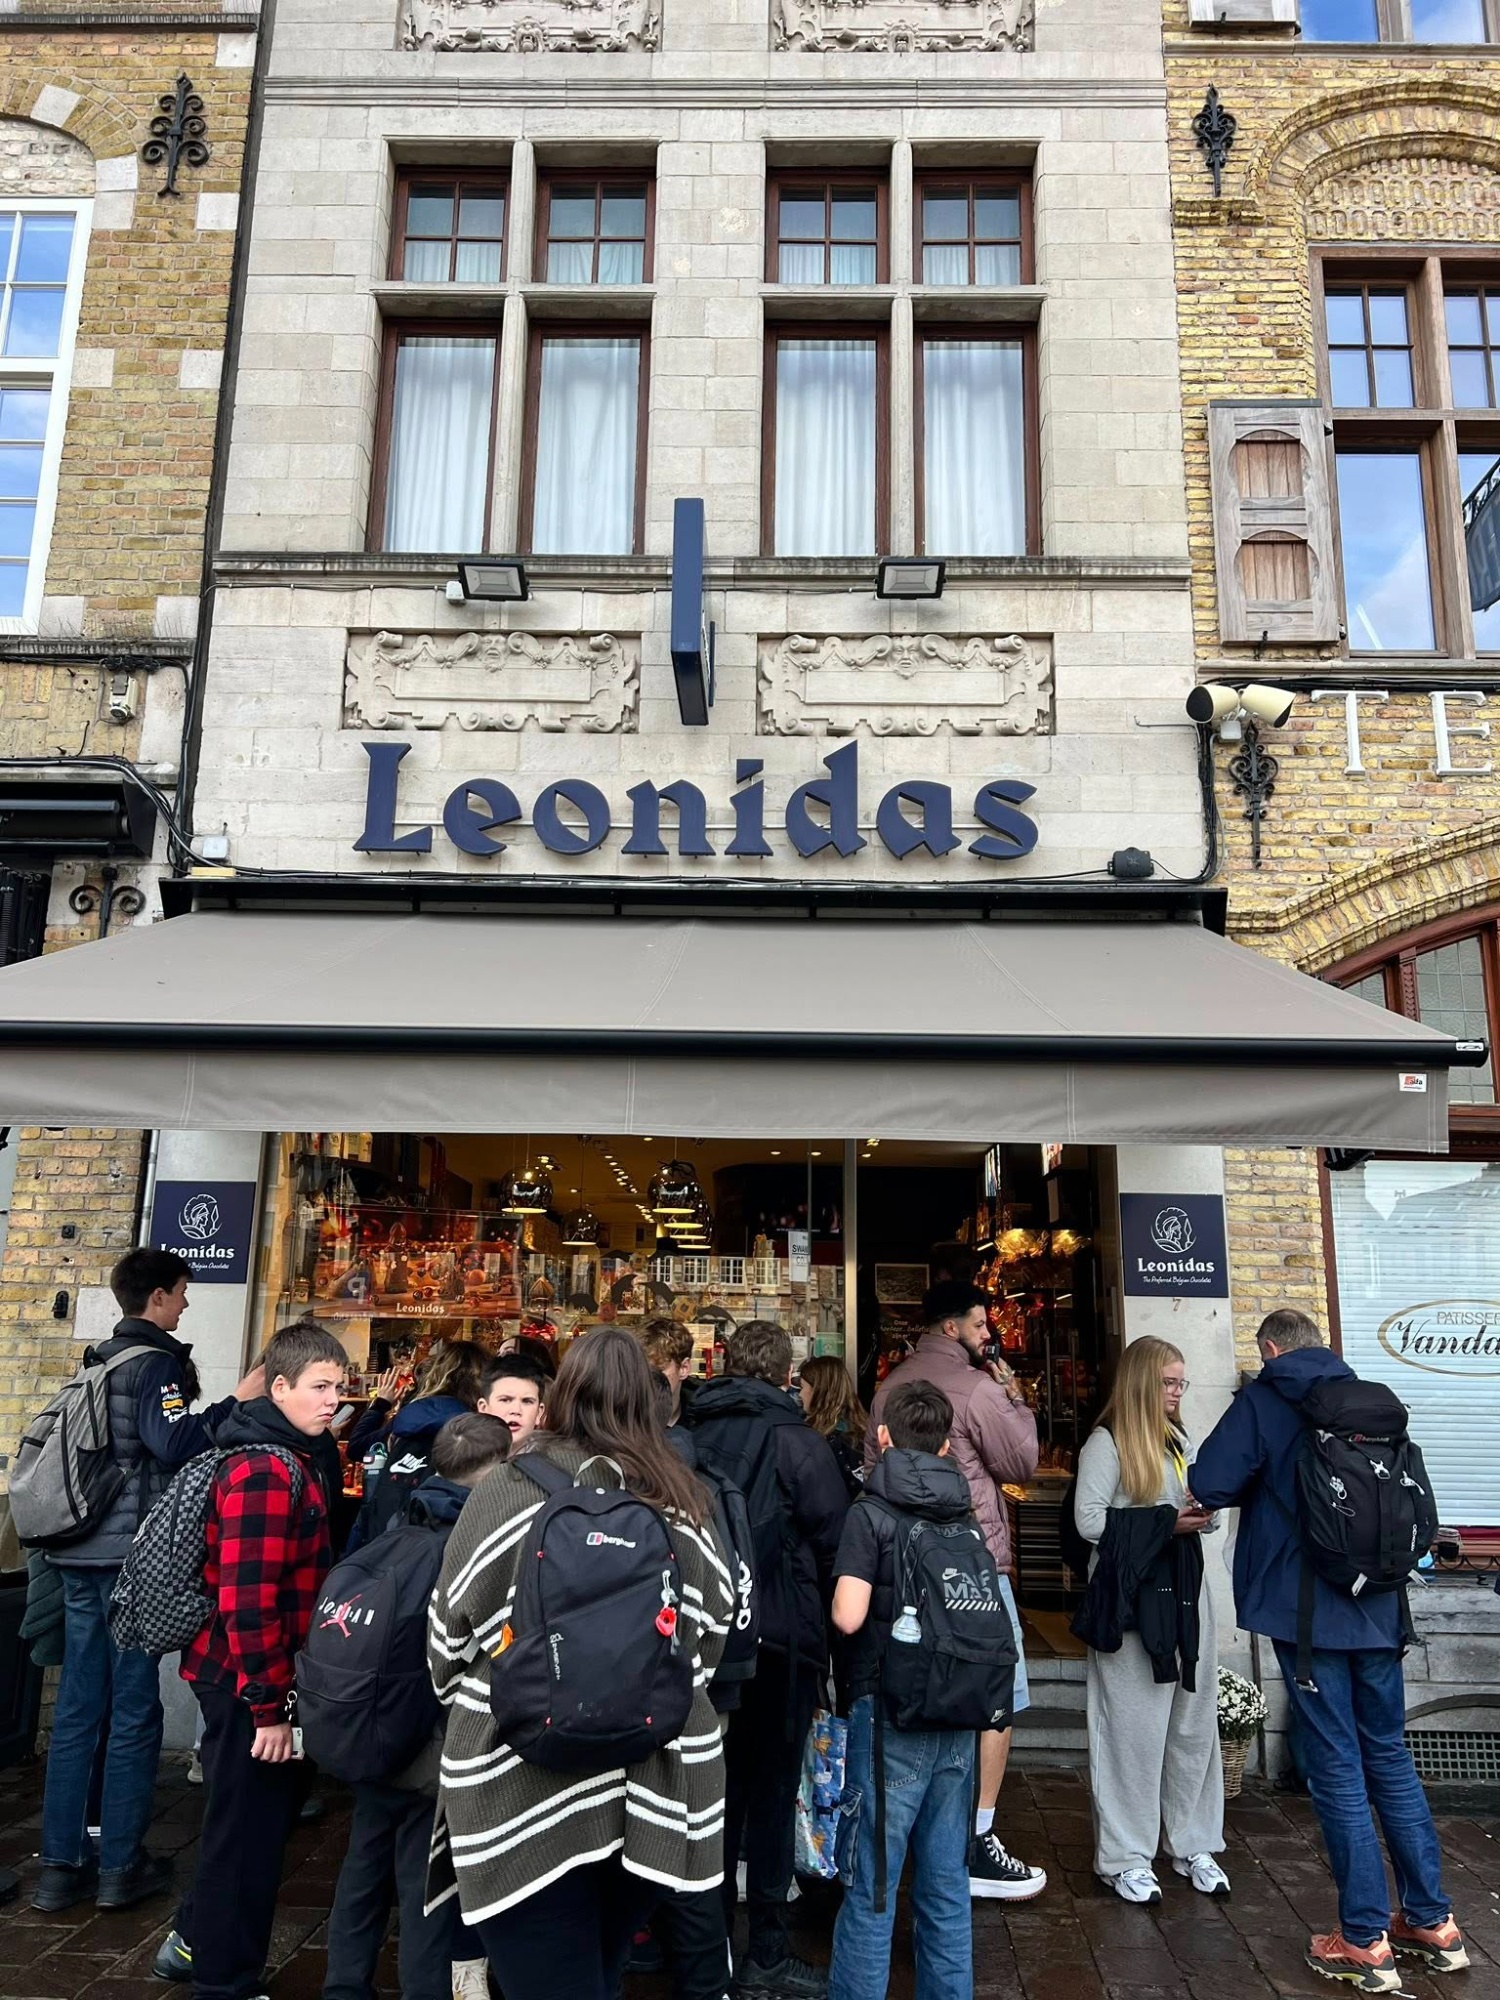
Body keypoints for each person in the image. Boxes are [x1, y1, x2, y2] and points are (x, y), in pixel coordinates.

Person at [427, 1326, 735, 2000]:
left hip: (519, 1781)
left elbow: (448, 1640)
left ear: (559, 1396)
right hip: (649, 1784)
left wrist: (498, 1685)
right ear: (648, 1403)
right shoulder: (683, 1498)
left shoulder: (507, 1487)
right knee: (600, 1965)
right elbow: (712, 1634)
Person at [1191, 1309, 1468, 1993]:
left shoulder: (1265, 1398)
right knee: (1389, 1755)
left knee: (1338, 1766)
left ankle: (1365, 1938)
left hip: (1307, 1613)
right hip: (1379, 1608)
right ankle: (1433, 1923)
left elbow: (1211, 1482)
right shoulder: (1371, 1399)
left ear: (1271, 1348)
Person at [33, 1248, 263, 1915]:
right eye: (184, 1292)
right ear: (158, 1297)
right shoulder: (156, 1361)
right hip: (128, 1564)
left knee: (79, 1711)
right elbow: (174, 1443)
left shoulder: (101, 1358)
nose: (187, 1303)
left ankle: (59, 1864)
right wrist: (232, 1404)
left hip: (78, 1555)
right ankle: (118, 1867)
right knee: (134, 1709)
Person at [155, 1318, 348, 2000]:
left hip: (245, 1676)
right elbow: (247, 1602)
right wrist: (271, 1707)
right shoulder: (268, 1468)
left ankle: (194, 1943)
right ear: (281, 1385)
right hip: (247, 1681)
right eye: (319, 1387)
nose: (333, 1401)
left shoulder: (284, 1454)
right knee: (248, 1841)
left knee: (241, 1826)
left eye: (340, 1388)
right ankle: (222, 1982)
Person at [686, 1321, 851, 1999]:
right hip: (781, 1645)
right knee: (774, 1798)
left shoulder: (689, 1435)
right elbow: (838, 1542)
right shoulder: (800, 1445)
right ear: (788, 1373)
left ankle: (709, 1948)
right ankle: (768, 1953)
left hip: (704, 1642)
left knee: (708, 1800)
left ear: (724, 1364)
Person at [321, 1413, 510, 2000]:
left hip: (372, 1724)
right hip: (432, 1743)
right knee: (427, 1888)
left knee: (362, 1871)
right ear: (498, 1469)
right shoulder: (473, 1541)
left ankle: (344, 1987)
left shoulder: (399, 1513)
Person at [868, 1281, 1044, 1901]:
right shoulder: (979, 1388)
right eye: (978, 1323)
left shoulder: (887, 1387)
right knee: (997, 1691)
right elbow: (1022, 1463)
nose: (987, 1333)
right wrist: (1018, 1401)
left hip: (900, 1565)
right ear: (951, 1329)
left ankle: (912, 1835)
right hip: (973, 1564)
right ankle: (976, 1837)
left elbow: (874, 1471)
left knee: (914, 1687)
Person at [828, 1380, 979, 2000]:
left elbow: (848, 1615)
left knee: (875, 1885)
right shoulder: (964, 1512)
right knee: (946, 1886)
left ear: (884, 1436)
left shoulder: (870, 1511)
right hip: (959, 1710)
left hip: (889, 1711)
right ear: (947, 1444)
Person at [1072, 1337, 1227, 1905]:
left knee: (1193, 1723)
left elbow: (1199, 1519)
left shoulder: (1176, 1439)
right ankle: (1125, 1856)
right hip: (1133, 1603)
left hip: (1188, 1598)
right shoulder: (1106, 1444)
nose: (1177, 1392)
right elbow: (1088, 1521)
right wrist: (1167, 1522)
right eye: (1168, 1382)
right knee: (1131, 1734)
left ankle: (1193, 1842)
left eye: (1181, 1383)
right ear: (1140, 1382)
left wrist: (1204, 1515)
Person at [347, 1339, 488, 1542]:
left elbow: (357, 1447)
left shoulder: (410, 1421)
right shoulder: (481, 1433)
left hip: (384, 1543)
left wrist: (380, 1404)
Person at [798, 1355, 867, 1498]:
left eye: (803, 1387)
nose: (800, 1394)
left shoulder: (819, 1439)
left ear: (818, 1391)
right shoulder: (864, 1430)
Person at [475, 1349, 549, 1449]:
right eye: (505, 1400)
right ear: (483, 1408)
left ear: (539, 1413)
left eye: (527, 1401)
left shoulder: (558, 1461)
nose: (516, 1410)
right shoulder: (462, 1459)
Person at [641, 1318, 696, 1424]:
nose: (647, 1378)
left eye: (659, 1370)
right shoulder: (621, 1418)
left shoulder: (703, 1422)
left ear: (684, 1369)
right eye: (641, 1369)